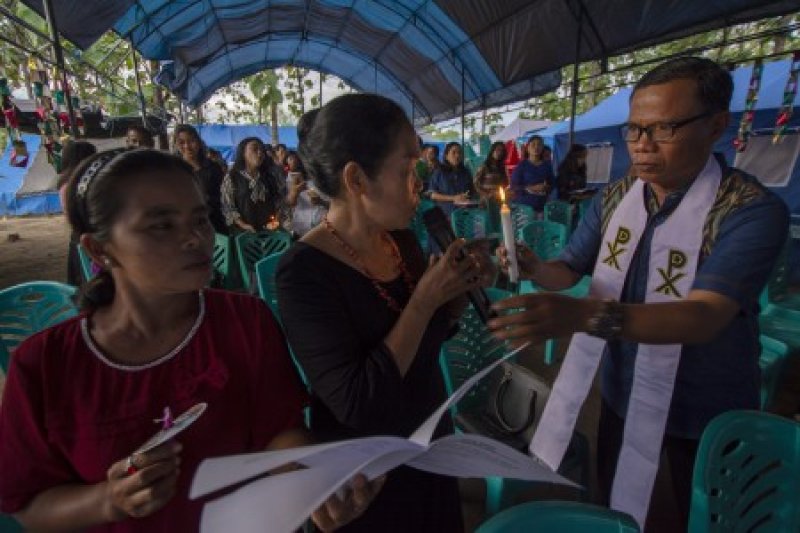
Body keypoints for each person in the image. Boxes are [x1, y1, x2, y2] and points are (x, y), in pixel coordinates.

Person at [0, 148, 381, 532]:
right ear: (99, 249)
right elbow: (29, 506)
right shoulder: (46, 364)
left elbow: (279, 431)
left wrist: (311, 483)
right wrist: (109, 500)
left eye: (200, 219)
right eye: (162, 226)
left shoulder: (244, 321)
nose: (195, 238)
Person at [490, 57, 790, 530]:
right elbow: (567, 270)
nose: (642, 146)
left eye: (664, 129)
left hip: (707, 403)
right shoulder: (615, 197)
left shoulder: (748, 211)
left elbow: (702, 318)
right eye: (634, 130)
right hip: (623, 389)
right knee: (621, 505)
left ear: (715, 126)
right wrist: (533, 266)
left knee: (701, 512)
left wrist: (580, 317)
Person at [277, 93, 493, 532]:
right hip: (366, 481)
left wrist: (451, 299)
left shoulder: (402, 241)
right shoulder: (303, 272)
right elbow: (357, 402)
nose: (419, 181)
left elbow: (424, 345)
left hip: (430, 445)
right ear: (356, 178)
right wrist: (424, 301)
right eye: (408, 168)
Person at [221, 137, 285, 233]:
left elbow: (278, 202)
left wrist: (275, 221)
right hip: (243, 234)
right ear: (243, 153)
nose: (260, 153)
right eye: (254, 149)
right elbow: (228, 206)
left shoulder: (269, 177)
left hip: (269, 232)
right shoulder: (232, 177)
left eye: (262, 150)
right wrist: (243, 225)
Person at [57, 139, 98, 286]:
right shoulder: (79, 184)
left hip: (77, 237)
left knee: (82, 282)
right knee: (92, 281)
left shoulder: (65, 182)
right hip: (88, 236)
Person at [173, 124, 227, 234]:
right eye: (182, 142)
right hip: (183, 226)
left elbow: (223, 197)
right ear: (176, 145)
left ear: (199, 142)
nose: (187, 146)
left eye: (191, 141)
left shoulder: (213, 168)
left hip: (213, 224)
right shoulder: (172, 170)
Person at [285, 150, 327, 238]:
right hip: (302, 226)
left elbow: (333, 203)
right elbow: (289, 203)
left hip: (322, 223)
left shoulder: (322, 178)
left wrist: (321, 201)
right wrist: (294, 193)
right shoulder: (289, 180)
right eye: (290, 159)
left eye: (295, 158)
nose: (294, 161)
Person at [510, 135, 554, 213]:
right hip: (524, 207)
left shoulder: (547, 165)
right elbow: (514, 187)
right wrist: (531, 188)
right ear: (528, 148)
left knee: (540, 225)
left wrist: (546, 187)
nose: (536, 147)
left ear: (542, 148)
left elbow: (552, 183)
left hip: (542, 206)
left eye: (539, 144)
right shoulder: (522, 165)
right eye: (533, 144)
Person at [429, 142, 474, 215]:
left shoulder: (465, 172)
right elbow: (432, 195)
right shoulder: (439, 172)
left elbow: (471, 191)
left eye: (459, 153)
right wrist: (453, 198)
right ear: (446, 156)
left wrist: (469, 198)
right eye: (453, 152)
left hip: (465, 213)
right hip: (446, 213)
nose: (457, 155)